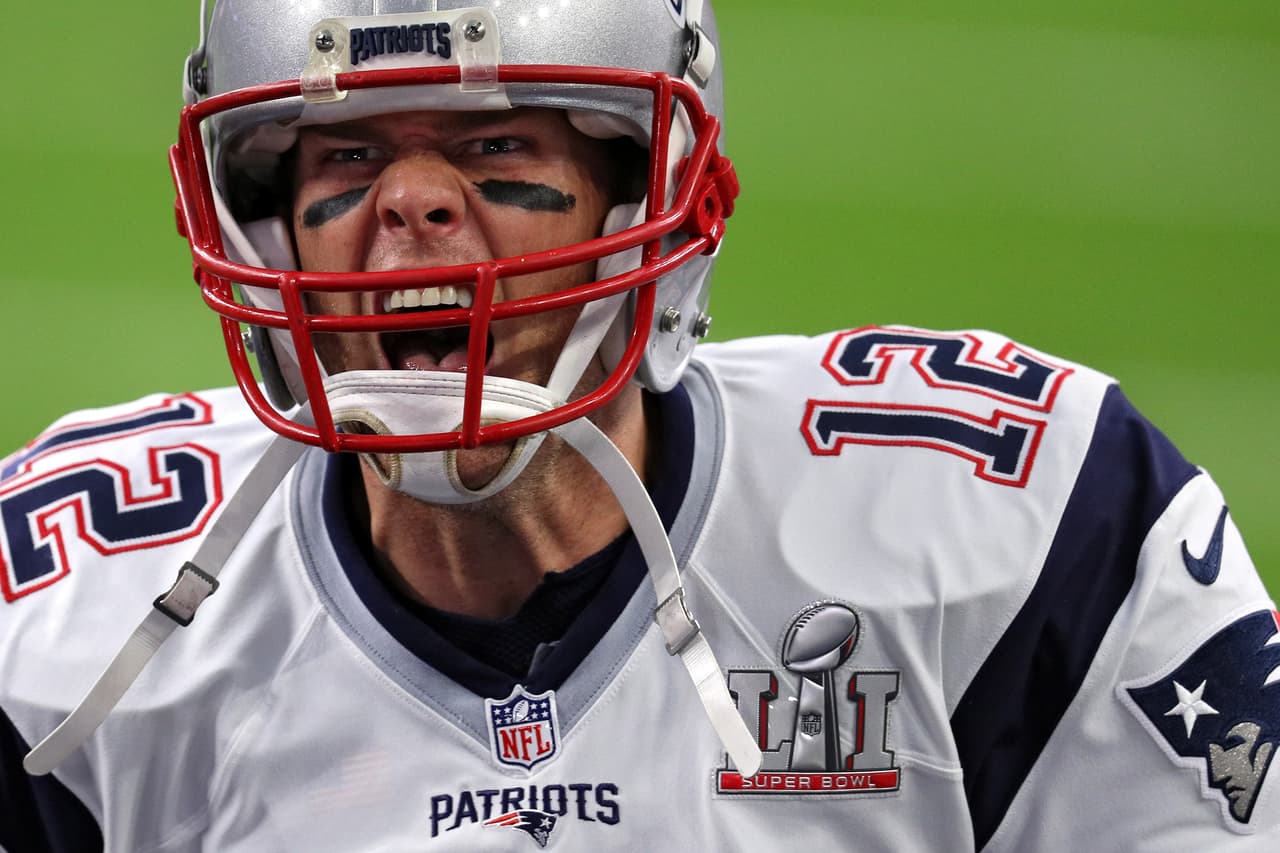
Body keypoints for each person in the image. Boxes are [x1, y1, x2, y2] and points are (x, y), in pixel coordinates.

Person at [0, 0, 1275, 849]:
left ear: (646, 203)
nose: (412, 210)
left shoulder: (1017, 518)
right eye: (343, 163)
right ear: (257, 225)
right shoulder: (56, 614)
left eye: (496, 145)